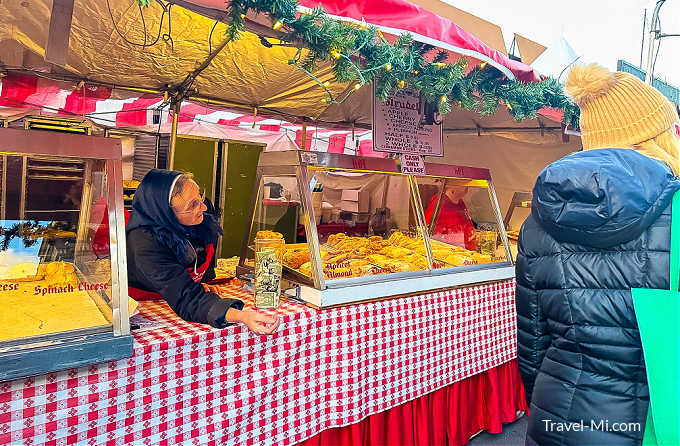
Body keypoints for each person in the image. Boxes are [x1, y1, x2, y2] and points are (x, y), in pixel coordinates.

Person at [517, 63, 680, 446]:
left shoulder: (537, 221)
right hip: (654, 424)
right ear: (659, 135)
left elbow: (532, 345)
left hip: (558, 417)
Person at [126, 169, 279, 335]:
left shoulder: (199, 216)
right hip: (148, 303)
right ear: (165, 214)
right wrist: (241, 316)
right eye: (193, 205)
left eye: (200, 196)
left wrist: (201, 281)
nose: (204, 207)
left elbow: (202, 257)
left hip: (185, 291)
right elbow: (186, 298)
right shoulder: (144, 242)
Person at [424, 183, 477, 251]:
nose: (468, 186)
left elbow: (466, 225)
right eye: (464, 183)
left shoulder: (460, 202)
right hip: (450, 253)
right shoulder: (438, 204)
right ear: (452, 187)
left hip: (466, 252)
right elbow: (431, 237)